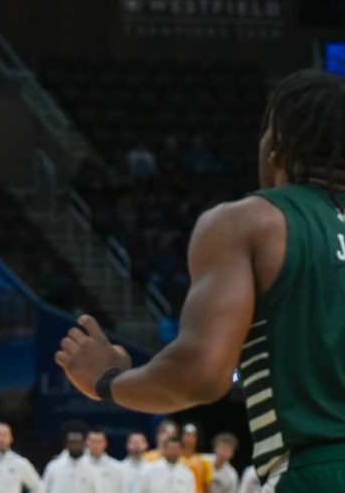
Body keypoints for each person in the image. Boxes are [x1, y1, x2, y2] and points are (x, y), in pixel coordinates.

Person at [56, 70, 345, 491]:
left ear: (277, 146)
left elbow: (201, 374)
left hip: (316, 471)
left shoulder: (249, 223)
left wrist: (107, 382)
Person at [178, 424, 213, 493]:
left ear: (196, 439)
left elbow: (207, 487)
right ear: (182, 437)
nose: (189, 438)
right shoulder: (174, 459)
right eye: (187, 435)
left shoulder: (204, 462)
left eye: (192, 435)